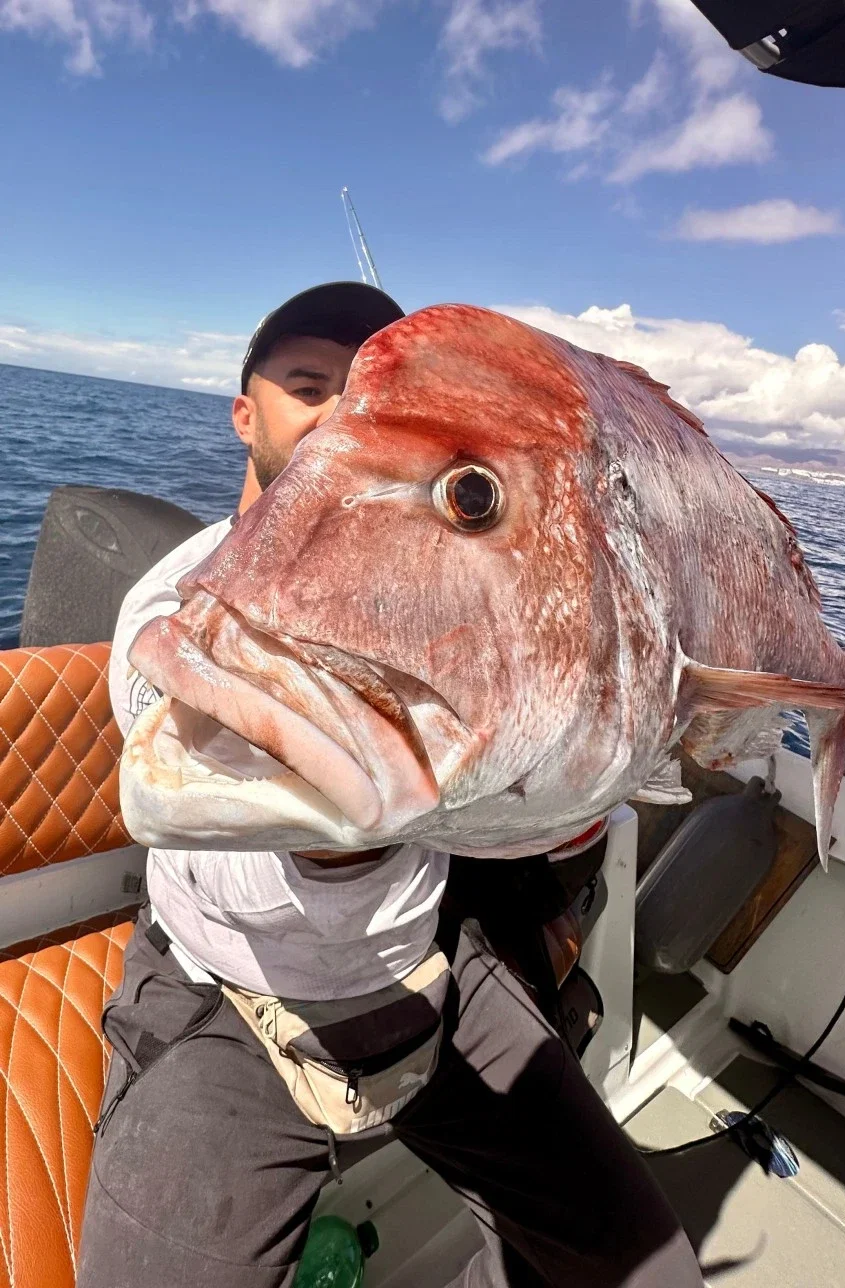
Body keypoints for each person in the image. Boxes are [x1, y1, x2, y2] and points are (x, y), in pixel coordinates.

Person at [77, 282, 704, 1288]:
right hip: (221, 988)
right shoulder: (169, 601)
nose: (337, 408)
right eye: (306, 384)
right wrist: (335, 830)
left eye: (366, 389)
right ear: (243, 413)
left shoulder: (440, 584)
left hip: (423, 967)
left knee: (648, 1274)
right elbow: (185, 775)